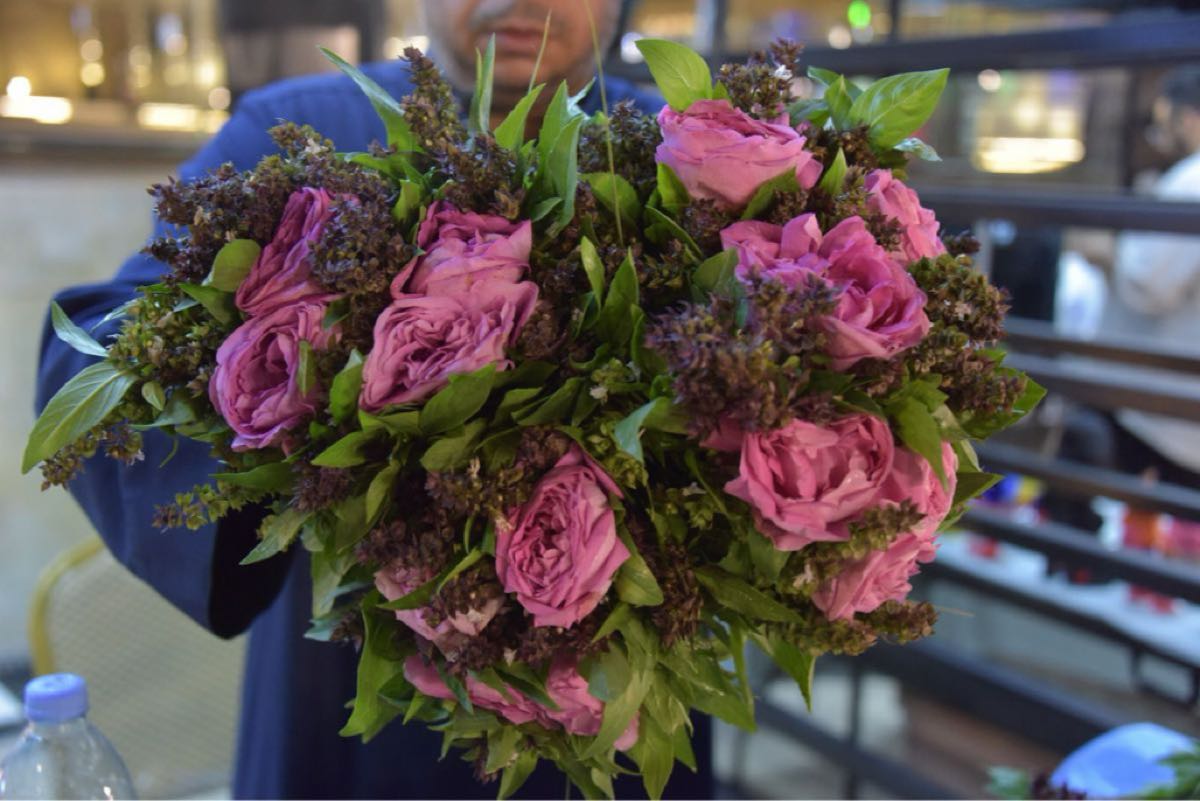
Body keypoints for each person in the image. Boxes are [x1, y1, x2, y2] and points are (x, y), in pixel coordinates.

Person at [35, 1, 713, 797]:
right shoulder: (296, 135)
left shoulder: (693, 152)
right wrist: (295, 394)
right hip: (349, 701)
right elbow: (99, 345)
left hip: (616, 699)